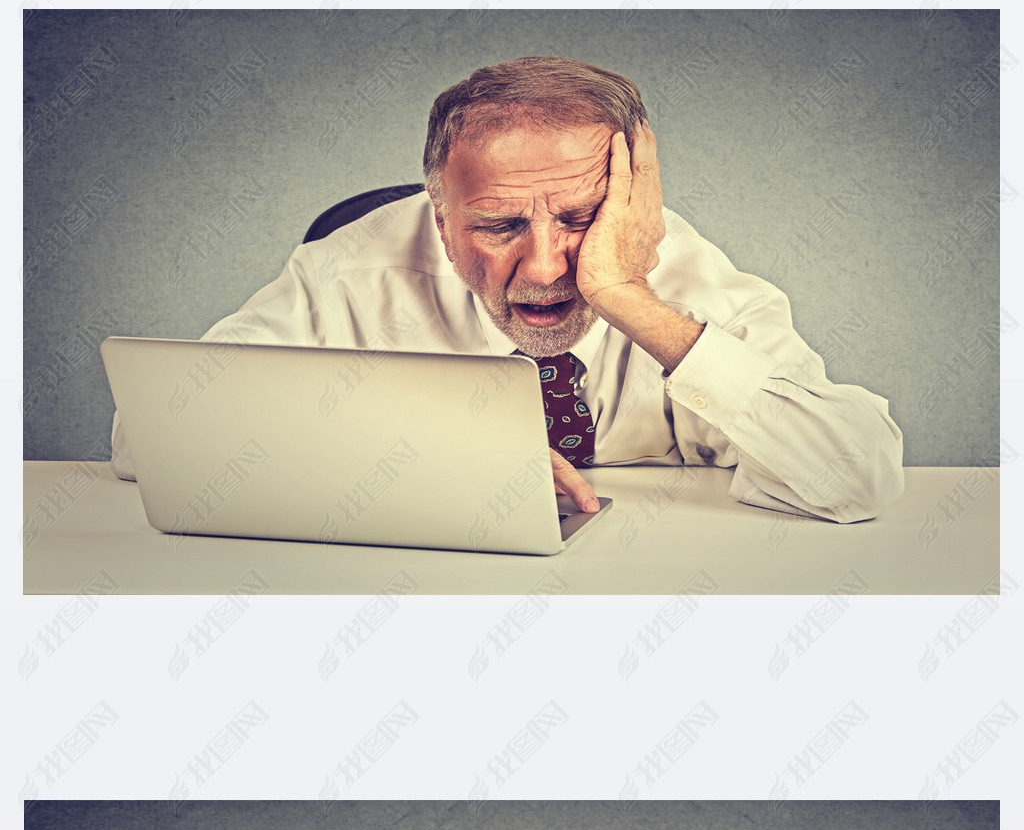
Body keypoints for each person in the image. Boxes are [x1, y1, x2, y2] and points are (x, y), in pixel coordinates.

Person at [111, 56, 904, 525]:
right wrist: (433, 455)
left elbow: (856, 474)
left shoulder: (687, 280)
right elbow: (152, 432)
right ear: (440, 215)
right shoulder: (349, 272)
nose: (549, 268)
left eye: (582, 219)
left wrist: (630, 298)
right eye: (498, 226)